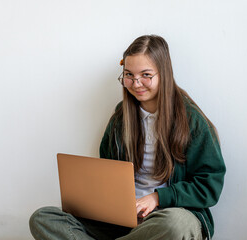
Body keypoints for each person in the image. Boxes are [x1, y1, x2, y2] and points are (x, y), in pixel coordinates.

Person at [29, 35, 226, 240]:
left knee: (177, 225)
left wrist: (157, 198)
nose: (136, 83)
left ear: (164, 74)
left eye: (146, 74)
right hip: (122, 220)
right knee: (43, 218)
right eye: (129, 75)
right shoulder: (120, 118)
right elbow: (108, 172)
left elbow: (209, 186)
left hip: (166, 215)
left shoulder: (192, 120)